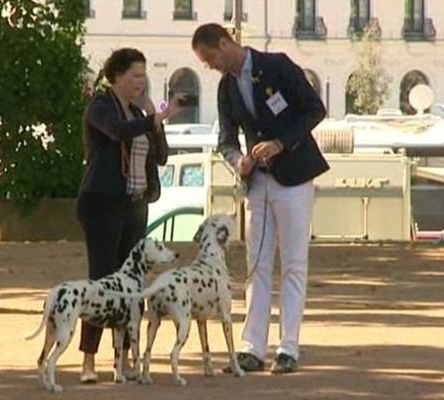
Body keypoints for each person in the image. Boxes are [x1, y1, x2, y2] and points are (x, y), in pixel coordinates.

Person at [191, 23, 329, 374]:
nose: (210, 65)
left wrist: (281, 143)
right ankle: (252, 347)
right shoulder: (226, 87)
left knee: (294, 264)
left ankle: (289, 348)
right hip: (258, 183)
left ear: (225, 43)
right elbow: (225, 137)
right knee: (256, 265)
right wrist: (238, 160)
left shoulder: (278, 65)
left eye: (210, 57)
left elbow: (314, 109)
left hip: (294, 177)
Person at [76, 47, 182, 383]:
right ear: (116, 76)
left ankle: (123, 359)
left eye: (143, 76)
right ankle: (88, 361)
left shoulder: (139, 111)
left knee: (132, 283)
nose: (140, 82)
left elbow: (161, 157)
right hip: (101, 203)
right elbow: (118, 132)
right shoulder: (102, 107)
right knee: (102, 280)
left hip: (135, 204)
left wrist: (158, 126)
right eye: (135, 76)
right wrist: (151, 120)